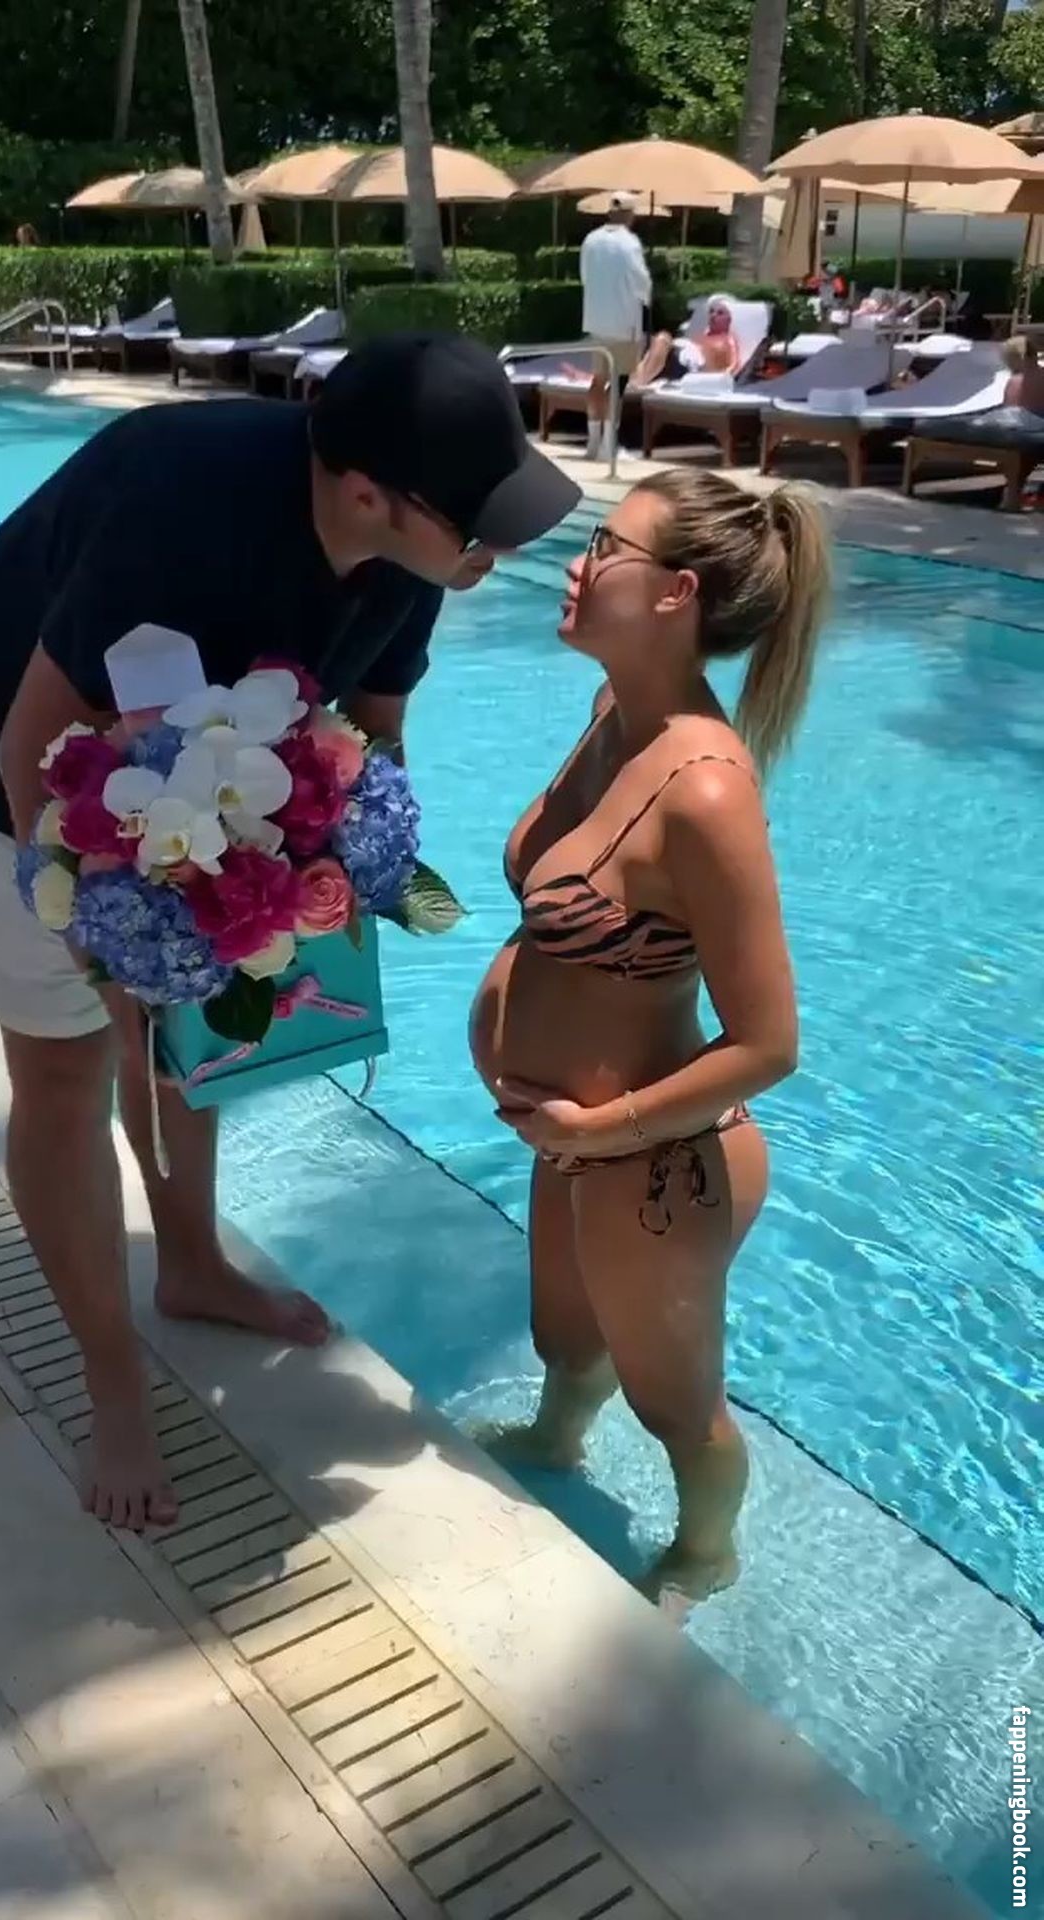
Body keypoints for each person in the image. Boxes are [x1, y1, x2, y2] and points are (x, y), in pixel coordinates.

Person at [0, 332, 580, 1532]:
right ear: (367, 492)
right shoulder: (180, 506)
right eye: (478, 525)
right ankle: (111, 1379)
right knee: (67, 1068)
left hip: (181, 781)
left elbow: (373, 737)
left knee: (187, 1030)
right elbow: (30, 740)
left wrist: (327, 876)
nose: (497, 550)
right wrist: (97, 936)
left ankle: (190, 1264)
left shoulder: (411, 558)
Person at [469, 466, 829, 1605]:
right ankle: (555, 1440)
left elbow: (768, 1042)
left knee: (676, 1405)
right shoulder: (610, 719)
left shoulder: (704, 793)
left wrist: (599, 1128)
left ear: (676, 593)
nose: (576, 566)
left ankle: (705, 1553)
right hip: (570, 1135)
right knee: (565, 1340)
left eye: (604, 548)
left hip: (651, 1154)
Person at [579, 190, 652, 460]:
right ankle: (608, 446)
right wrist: (647, 301)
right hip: (622, 322)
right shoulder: (629, 243)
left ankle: (593, 442)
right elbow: (641, 282)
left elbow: (585, 276)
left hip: (596, 319)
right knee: (618, 384)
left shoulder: (591, 239)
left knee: (598, 379)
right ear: (630, 215)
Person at [628, 296, 741, 388]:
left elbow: (735, 365)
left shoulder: (728, 339)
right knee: (645, 340)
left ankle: (638, 382)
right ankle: (633, 379)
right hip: (677, 355)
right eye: (711, 312)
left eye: (720, 313)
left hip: (688, 365)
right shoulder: (703, 335)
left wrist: (724, 378)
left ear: (730, 318)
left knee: (663, 337)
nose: (713, 315)